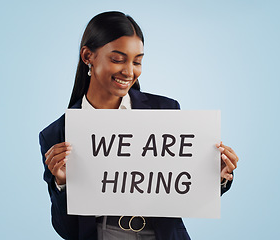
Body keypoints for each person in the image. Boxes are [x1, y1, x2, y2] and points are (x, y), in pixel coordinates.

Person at [39, 11, 239, 240]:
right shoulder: (56, 134)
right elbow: (67, 230)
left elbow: (184, 190)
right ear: (88, 56)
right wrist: (62, 184)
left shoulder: (166, 111)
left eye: (137, 61)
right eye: (117, 59)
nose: (129, 71)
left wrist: (216, 176)